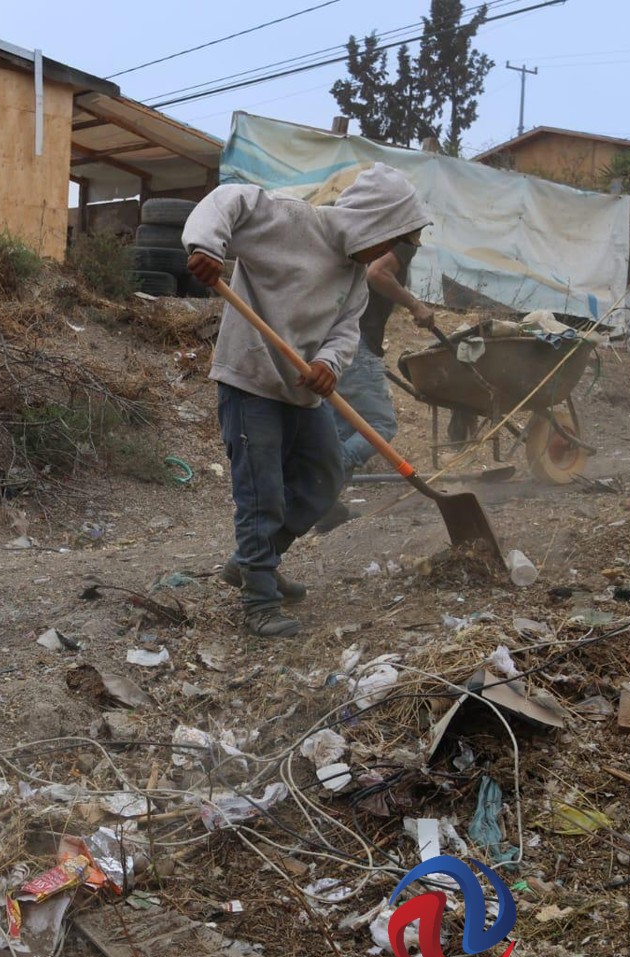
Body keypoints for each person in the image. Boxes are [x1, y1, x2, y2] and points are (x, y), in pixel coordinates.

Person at [183, 163, 431, 638]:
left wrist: (330, 365)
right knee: (262, 492)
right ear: (374, 220)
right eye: (389, 240)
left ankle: (254, 562)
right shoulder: (293, 221)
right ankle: (259, 600)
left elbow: (346, 330)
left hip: (300, 393)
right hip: (250, 381)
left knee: (326, 474)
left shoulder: (355, 274)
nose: (385, 254)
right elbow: (227, 200)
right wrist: (205, 247)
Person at [316, 238, 438, 533]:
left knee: (343, 428)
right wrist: (416, 305)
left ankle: (324, 507)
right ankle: (323, 476)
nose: (420, 238)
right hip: (355, 343)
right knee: (379, 424)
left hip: (329, 339)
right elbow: (377, 273)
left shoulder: (359, 235)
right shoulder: (400, 239)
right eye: (419, 229)